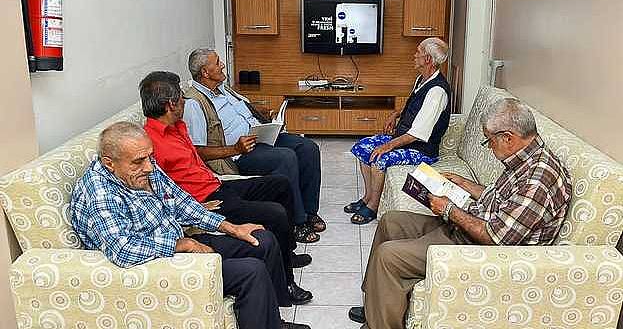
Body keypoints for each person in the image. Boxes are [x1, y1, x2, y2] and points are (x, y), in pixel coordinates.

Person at [348, 98, 573, 329]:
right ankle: (373, 305)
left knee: (389, 256)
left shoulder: (539, 179)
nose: (489, 147)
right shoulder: (525, 160)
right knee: (391, 221)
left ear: (508, 137)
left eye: (489, 141)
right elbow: (499, 199)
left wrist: (448, 209)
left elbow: (496, 239)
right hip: (472, 227)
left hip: (482, 250)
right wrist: (462, 183)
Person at [69, 122, 310, 329]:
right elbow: (123, 250)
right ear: (109, 163)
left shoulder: (142, 168)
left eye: (150, 157)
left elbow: (181, 202)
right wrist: (182, 244)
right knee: (251, 271)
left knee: (262, 239)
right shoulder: (99, 191)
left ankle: (273, 321)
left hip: (179, 245)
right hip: (157, 264)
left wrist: (229, 227)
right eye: (139, 161)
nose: (150, 167)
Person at [138, 71, 312, 305]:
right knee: (275, 213)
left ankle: (285, 255)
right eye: (181, 97)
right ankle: (285, 287)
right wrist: (197, 206)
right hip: (206, 199)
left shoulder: (177, 125)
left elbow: (195, 156)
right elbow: (159, 192)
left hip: (217, 184)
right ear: (170, 104)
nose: (184, 101)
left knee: (280, 185)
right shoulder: (149, 144)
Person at [183, 48, 325, 243]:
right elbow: (196, 150)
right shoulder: (194, 103)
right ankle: (296, 222)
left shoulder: (223, 88)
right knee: (286, 157)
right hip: (239, 153)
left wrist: (263, 115)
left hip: (259, 136)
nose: (222, 65)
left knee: (308, 148)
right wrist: (235, 149)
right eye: (217, 63)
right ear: (205, 73)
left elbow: (242, 111)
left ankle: (309, 212)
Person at [345, 38, 452, 225]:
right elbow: (414, 106)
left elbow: (417, 134)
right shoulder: (423, 79)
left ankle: (373, 207)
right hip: (405, 138)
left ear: (427, 59)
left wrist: (388, 146)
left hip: (422, 149)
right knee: (362, 148)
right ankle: (368, 197)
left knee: (379, 156)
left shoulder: (437, 91)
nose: (414, 54)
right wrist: (396, 114)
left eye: (418, 52)